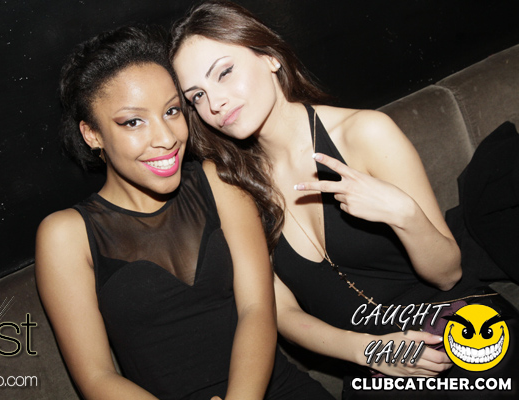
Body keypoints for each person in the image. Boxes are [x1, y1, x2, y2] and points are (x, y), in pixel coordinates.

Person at [169, 0, 518, 391]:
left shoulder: (365, 134)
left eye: (225, 72)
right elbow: (280, 311)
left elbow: (448, 274)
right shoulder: (234, 187)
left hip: (463, 330)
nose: (214, 103)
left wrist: (404, 214)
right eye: (197, 96)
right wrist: (367, 350)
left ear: (269, 57)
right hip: (373, 364)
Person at [35, 25, 333, 400]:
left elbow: (257, 308)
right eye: (133, 121)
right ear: (92, 134)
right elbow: (96, 378)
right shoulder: (66, 235)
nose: (167, 137)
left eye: (172, 110)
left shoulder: (218, 181)